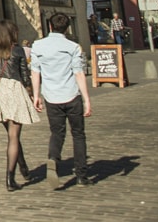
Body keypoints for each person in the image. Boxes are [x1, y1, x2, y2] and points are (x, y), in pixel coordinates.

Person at [31, 13, 94, 187]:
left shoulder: (38, 46)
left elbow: (35, 72)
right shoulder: (73, 47)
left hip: (51, 96)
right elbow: (79, 73)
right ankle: (81, 175)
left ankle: (53, 158)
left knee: (57, 133)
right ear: (67, 28)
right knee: (78, 135)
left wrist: (36, 96)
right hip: (72, 95)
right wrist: (87, 99)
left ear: (50, 26)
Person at [0, 19, 41, 191]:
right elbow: (24, 75)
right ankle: (10, 177)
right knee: (14, 136)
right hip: (13, 88)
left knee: (11, 134)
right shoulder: (17, 50)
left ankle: (23, 167)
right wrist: (32, 94)